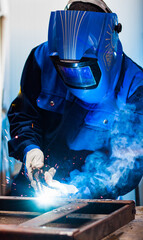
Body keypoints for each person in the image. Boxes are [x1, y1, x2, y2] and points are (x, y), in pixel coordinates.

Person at [7, 0, 143, 199]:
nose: (75, 76)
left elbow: (129, 164)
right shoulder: (40, 58)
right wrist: (30, 149)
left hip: (92, 200)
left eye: (83, 67)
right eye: (66, 67)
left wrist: (82, 189)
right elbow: (24, 115)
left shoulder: (135, 85)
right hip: (34, 191)